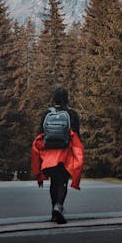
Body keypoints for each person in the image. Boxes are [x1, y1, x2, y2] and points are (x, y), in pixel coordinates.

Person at [31, 86, 84, 224]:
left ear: (54, 98)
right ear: (66, 98)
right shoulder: (72, 114)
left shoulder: (47, 113)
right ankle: (58, 206)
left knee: (54, 182)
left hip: (49, 155)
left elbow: (40, 134)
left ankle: (54, 211)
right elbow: (76, 135)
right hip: (65, 154)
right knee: (63, 182)